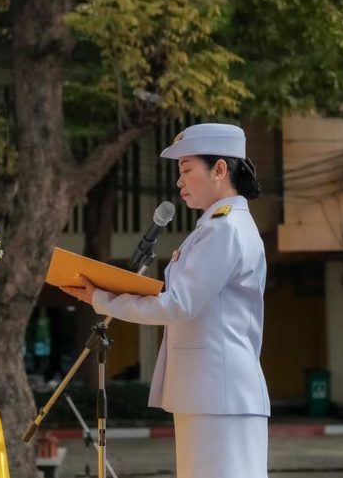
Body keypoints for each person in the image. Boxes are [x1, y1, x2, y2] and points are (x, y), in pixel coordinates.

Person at [61, 123, 270, 478]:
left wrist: (105, 300)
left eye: (187, 169)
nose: (180, 181)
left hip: (218, 393)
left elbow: (177, 305)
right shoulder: (220, 226)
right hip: (216, 392)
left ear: (219, 169)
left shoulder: (224, 228)